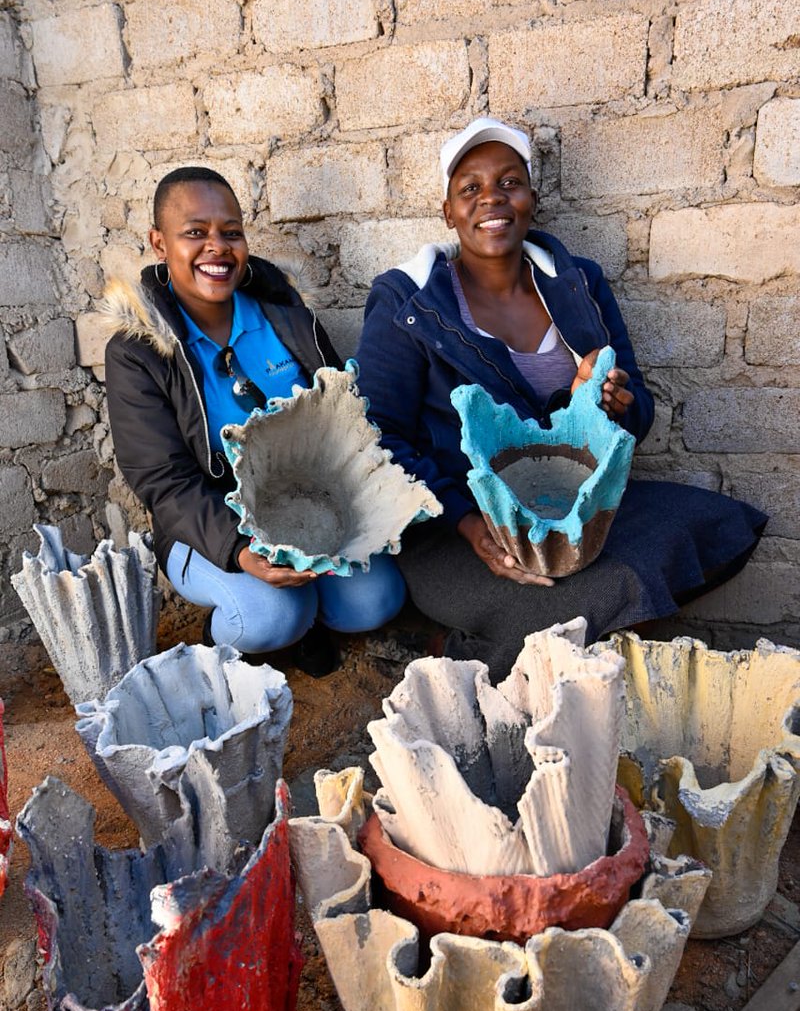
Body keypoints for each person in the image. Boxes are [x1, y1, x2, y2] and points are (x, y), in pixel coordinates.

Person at [356, 117, 766, 680]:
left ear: (530, 198)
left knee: (706, 525)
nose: (491, 199)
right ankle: (464, 663)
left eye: (509, 182)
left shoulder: (577, 283)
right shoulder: (409, 303)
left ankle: (508, 648)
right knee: (604, 593)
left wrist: (610, 406)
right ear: (448, 213)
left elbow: (637, 411)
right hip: (457, 527)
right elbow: (379, 439)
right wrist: (470, 524)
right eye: (469, 188)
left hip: (566, 502)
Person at [102, 166, 405, 674]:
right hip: (205, 526)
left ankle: (307, 622)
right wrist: (240, 549)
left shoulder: (286, 317)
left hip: (300, 507)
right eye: (195, 232)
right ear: (159, 242)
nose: (216, 247)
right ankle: (231, 644)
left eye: (231, 232)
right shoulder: (139, 352)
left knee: (376, 601)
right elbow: (161, 479)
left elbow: (340, 421)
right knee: (267, 615)